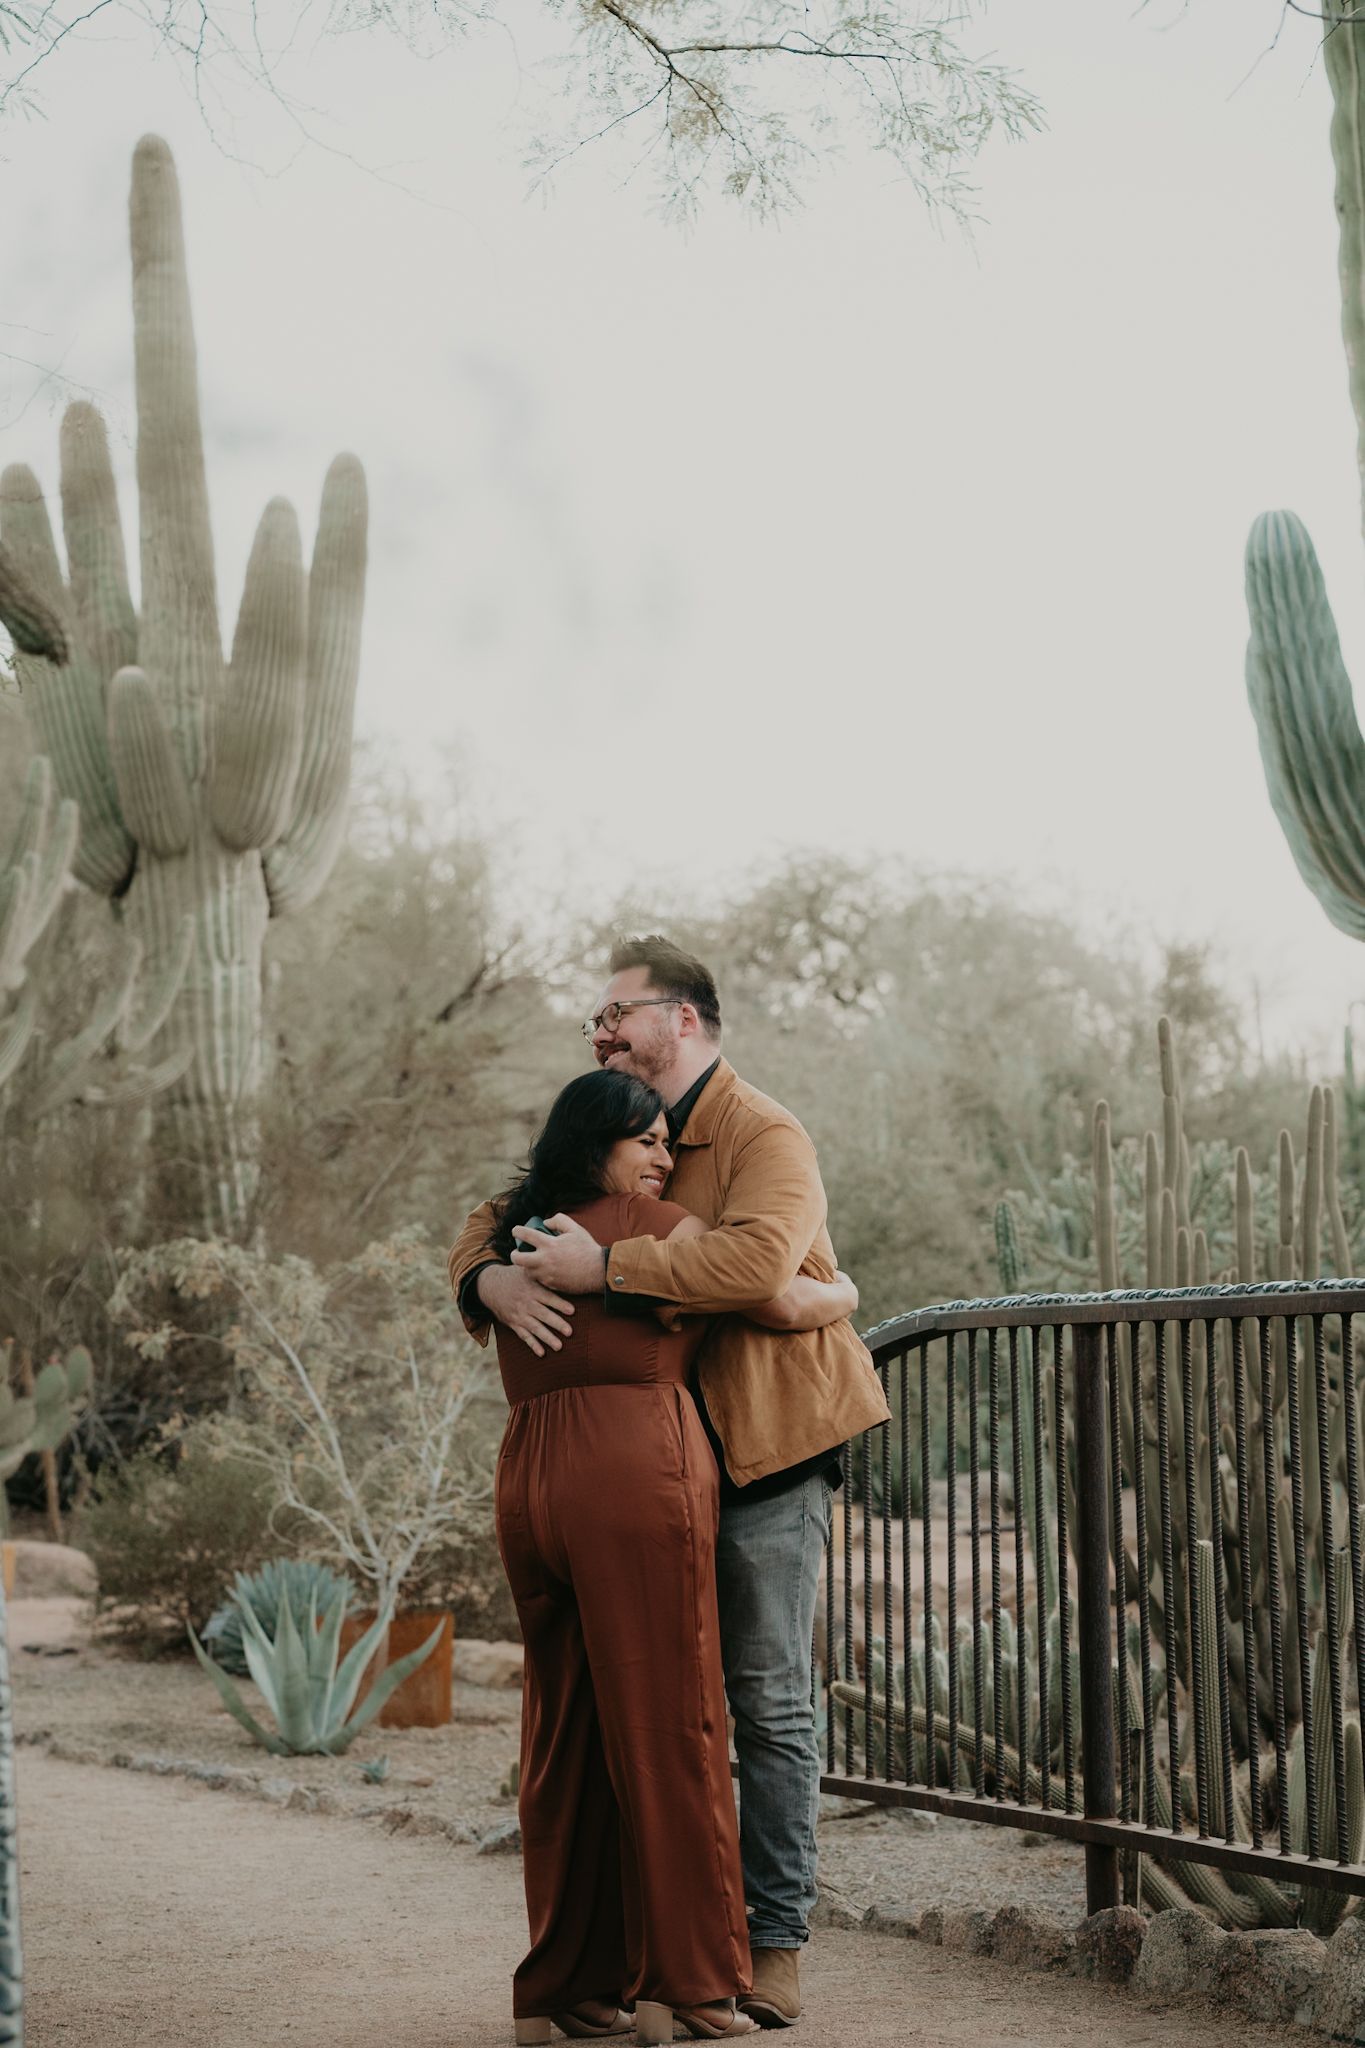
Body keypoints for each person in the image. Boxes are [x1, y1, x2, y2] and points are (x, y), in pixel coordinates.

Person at [448, 937, 891, 2031]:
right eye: (594, 1019)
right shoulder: (612, 1134)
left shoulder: (761, 1131)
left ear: (683, 1018)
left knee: (766, 1696)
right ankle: (662, 1964)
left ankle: (771, 1942)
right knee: (650, 1709)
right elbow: (492, 1213)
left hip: (767, 1441)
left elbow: (754, 1268)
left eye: (617, 1010)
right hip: (660, 1458)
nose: (600, 1029)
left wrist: (611, 1268)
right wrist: (490, 1276)